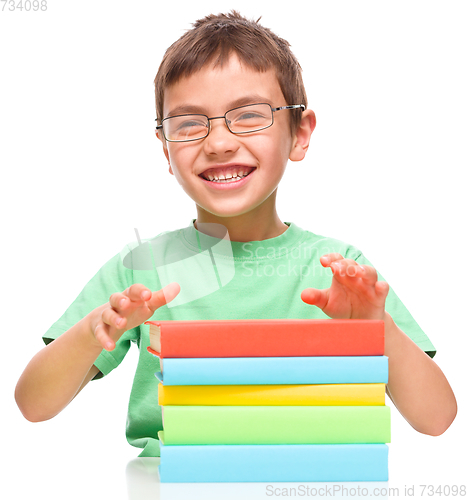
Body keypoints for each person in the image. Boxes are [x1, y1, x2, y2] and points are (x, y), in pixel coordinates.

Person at [15, 11, 456, 458]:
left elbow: (435, 419)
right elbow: (33, 405)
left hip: (310, 481)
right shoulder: (143, 270)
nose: (219, 143)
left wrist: (375, 326)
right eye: (188, 124)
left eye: (249, 116)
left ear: (300, 134)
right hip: (171, 486)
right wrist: (93, 332)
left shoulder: (341, 270)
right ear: (166, 150)